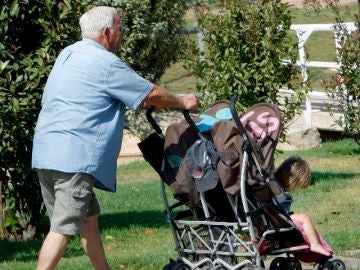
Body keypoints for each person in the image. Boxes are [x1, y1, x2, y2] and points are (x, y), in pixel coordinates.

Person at [31, 6, 200, 270]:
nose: (122, 34)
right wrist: (183, 101)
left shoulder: (68, 53)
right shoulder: (105, 62)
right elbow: (149, 94)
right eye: (120, 29)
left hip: (46, 151)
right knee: (63, 229)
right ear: (107, 32)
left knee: (88, 221)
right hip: (74, 157)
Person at [268, 156, 333, 257]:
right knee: (304, 218)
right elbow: (269, 184)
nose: (294, 190)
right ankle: (315, 244)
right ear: (291, 179)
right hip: (277, 218)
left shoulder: (273, 182)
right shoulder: (274, 185)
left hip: (272, 217)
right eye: (296, 185)